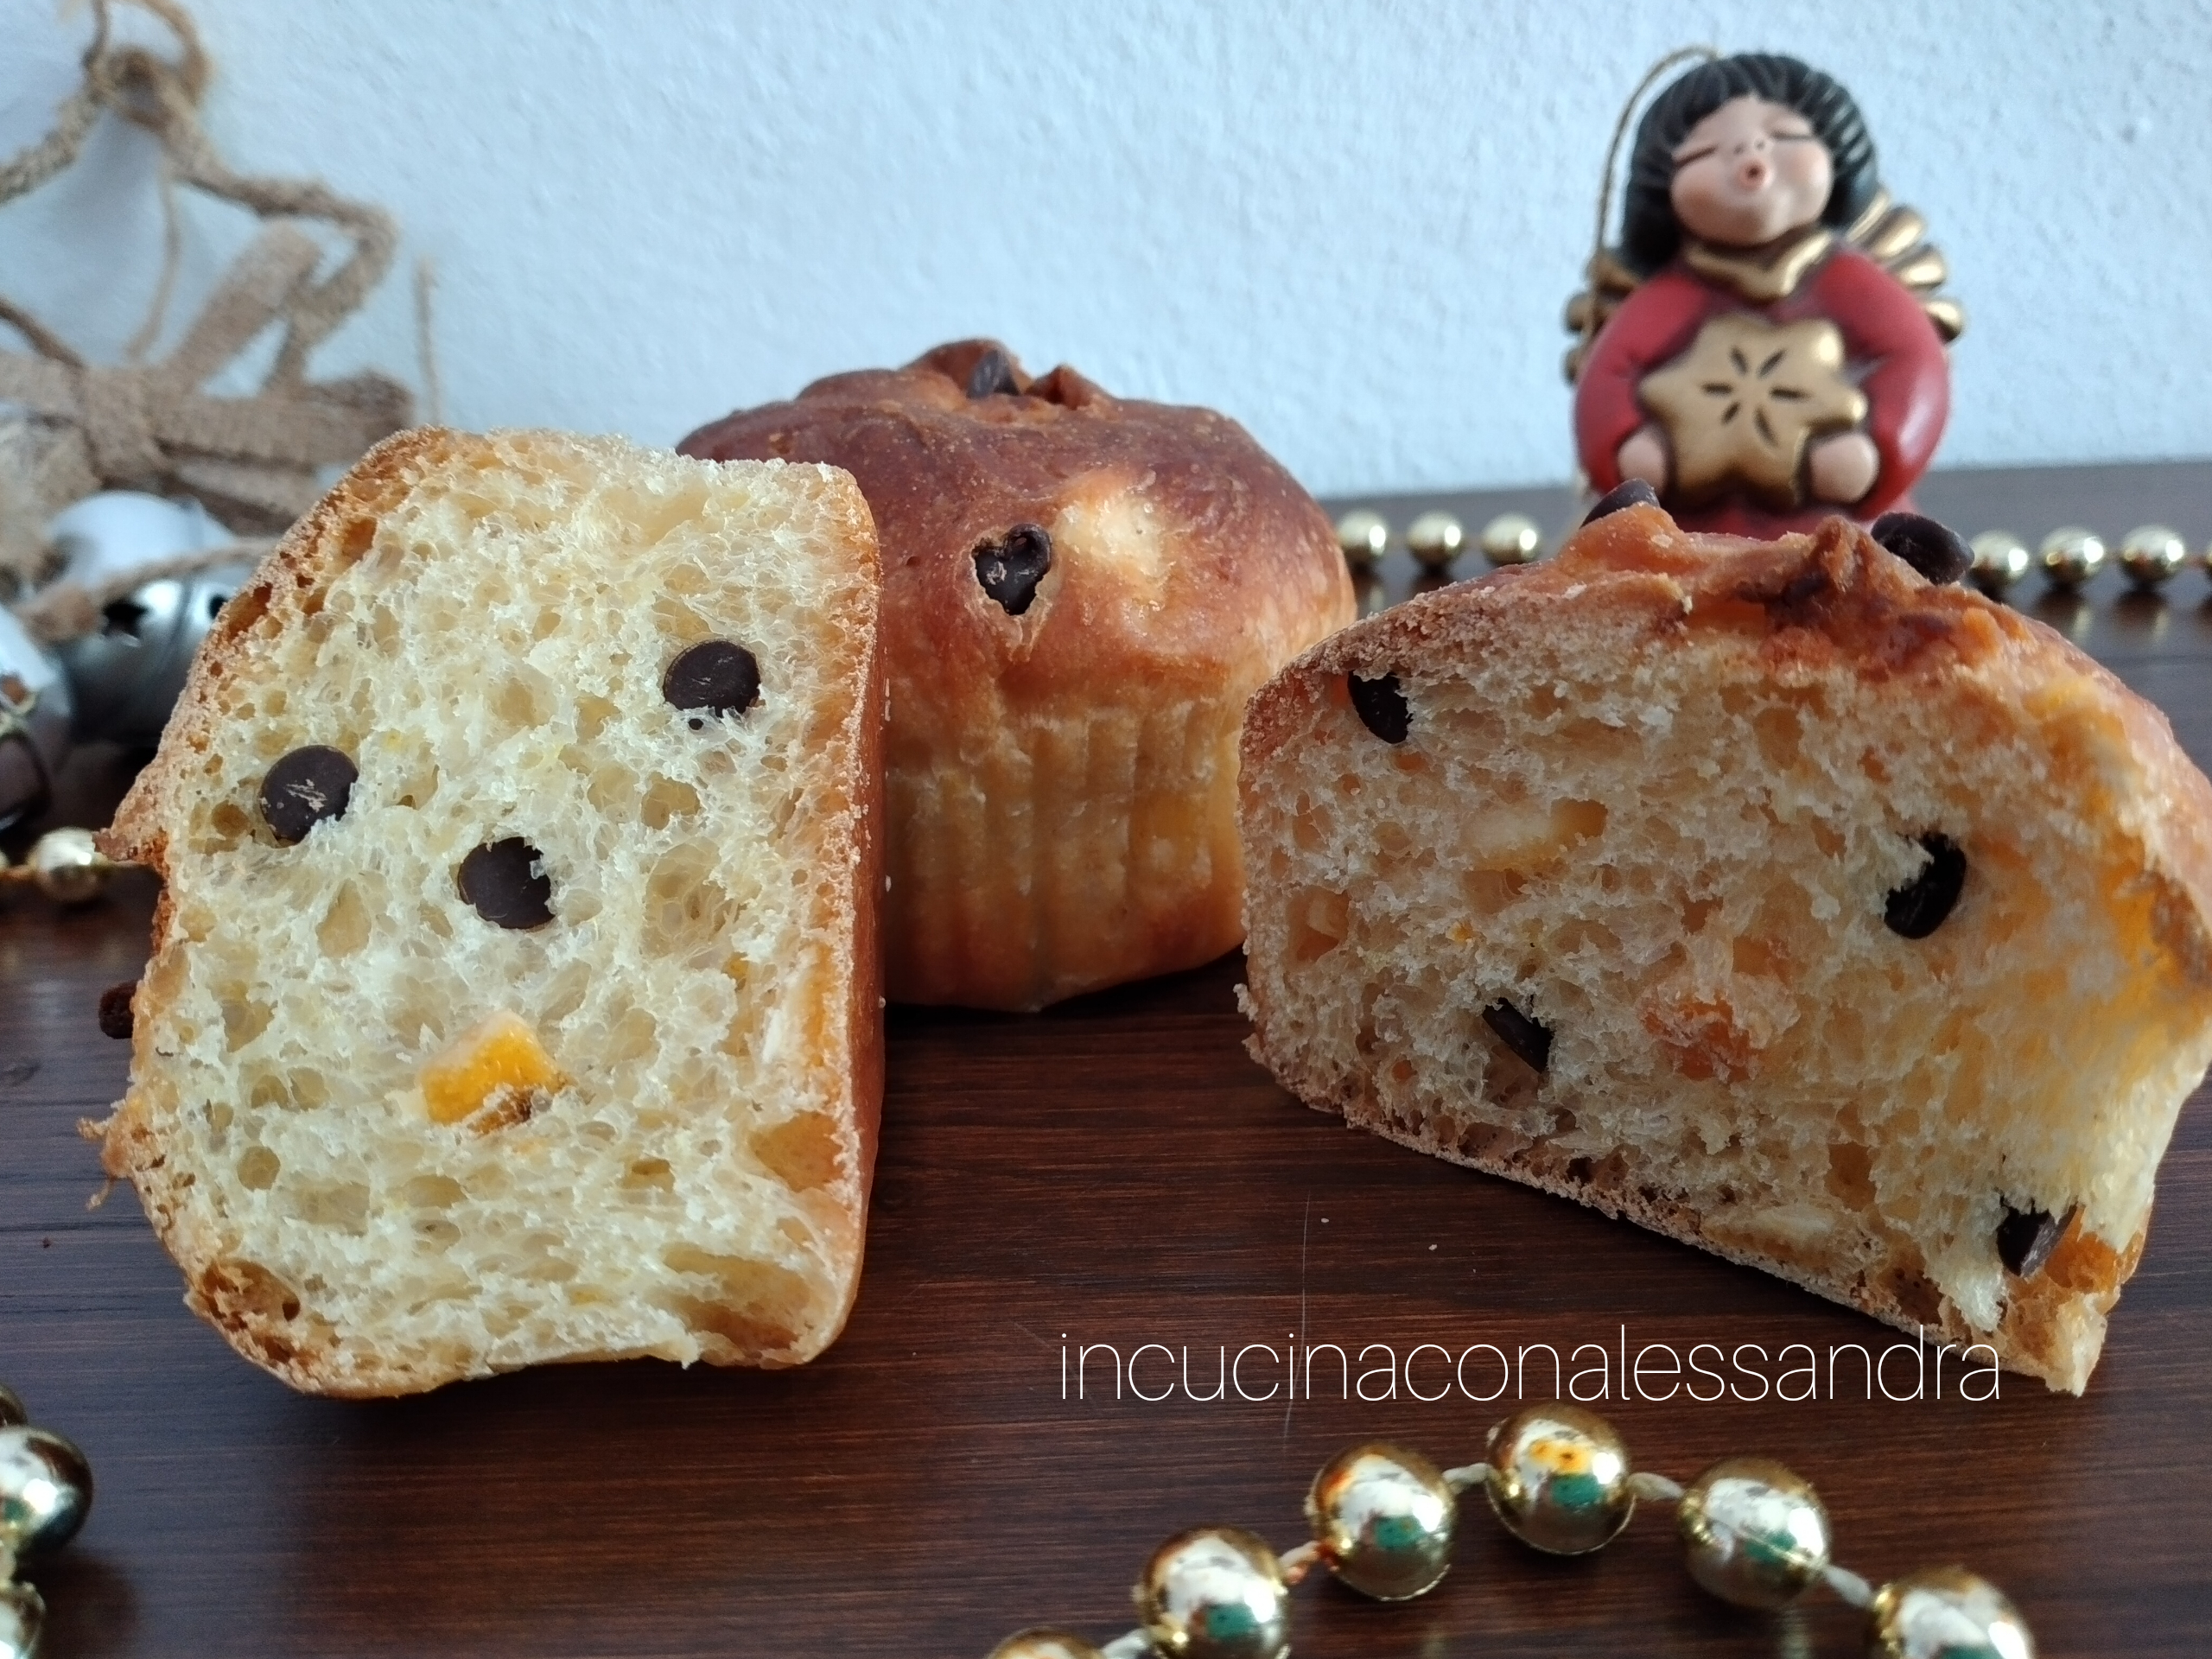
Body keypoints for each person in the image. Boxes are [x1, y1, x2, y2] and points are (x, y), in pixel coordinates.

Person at [1572, 54, 1950, 537]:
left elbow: (1912, 362)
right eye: (1706, 151)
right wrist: (1628, 446)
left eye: (1783, 136)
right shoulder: (1672, 297)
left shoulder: (1851, 284)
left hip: (1844, 530)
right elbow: (1609, 375)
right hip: (1686, 538)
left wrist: (1879, 447)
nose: (1752, 157)